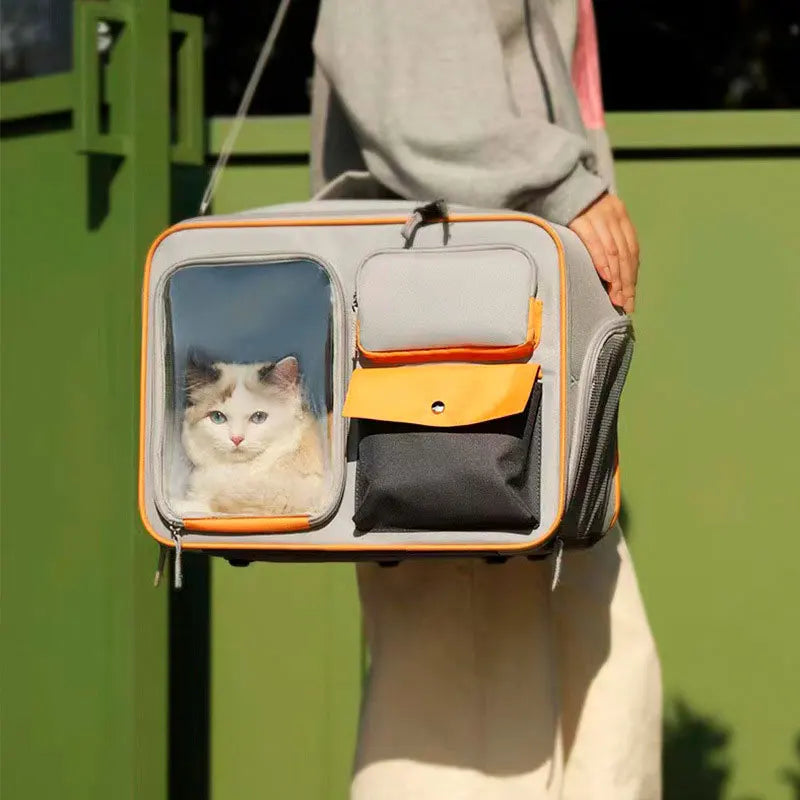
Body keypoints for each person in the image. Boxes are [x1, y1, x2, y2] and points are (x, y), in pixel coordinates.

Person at [310, 1, 662, 797]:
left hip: (526, 375)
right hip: (453, 373)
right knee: (464, 714)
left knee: (596, 702)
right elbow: (410, 84)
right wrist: (559, 184)